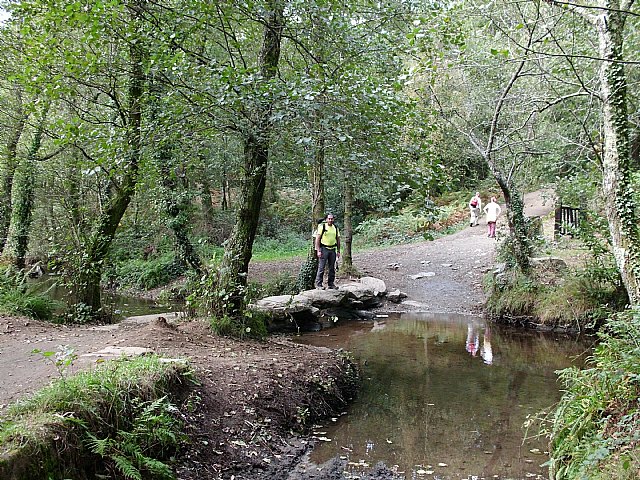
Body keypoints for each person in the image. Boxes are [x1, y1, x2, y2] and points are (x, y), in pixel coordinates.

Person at [314, 213, 341, 289]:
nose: (330, 220)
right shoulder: (322, 227)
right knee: (321, 267)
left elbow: (338, 239)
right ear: (326, 219)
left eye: (332, 219)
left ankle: (331, 284)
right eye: (329, 219)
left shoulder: (335, 227)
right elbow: (317, 239)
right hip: (324, 249)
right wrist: (318, 250)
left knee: (332, 268)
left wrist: (338, 251)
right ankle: (319, 284)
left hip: (333, 249)